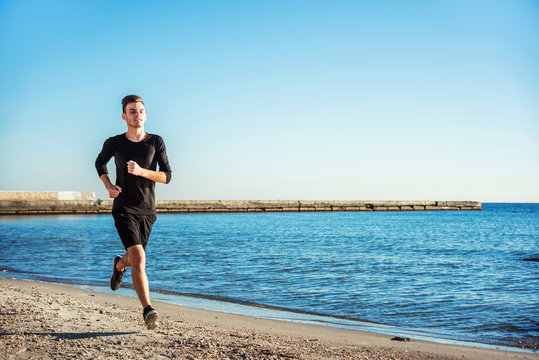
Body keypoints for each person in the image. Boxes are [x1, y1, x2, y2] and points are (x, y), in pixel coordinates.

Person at [95, 94, 172, 329]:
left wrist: (142, 172)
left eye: (140, 111)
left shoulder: (156, 141)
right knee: (139, 257)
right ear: (124, 116)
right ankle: (148, 310)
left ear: (145, 115)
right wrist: (109, 186)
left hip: (148, 210)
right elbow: (100, 163)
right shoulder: (115, 142)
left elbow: (167, 176)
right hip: (123, 208)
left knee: (134, 259)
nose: (136, 114)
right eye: (131, 111)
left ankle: (119, 265)